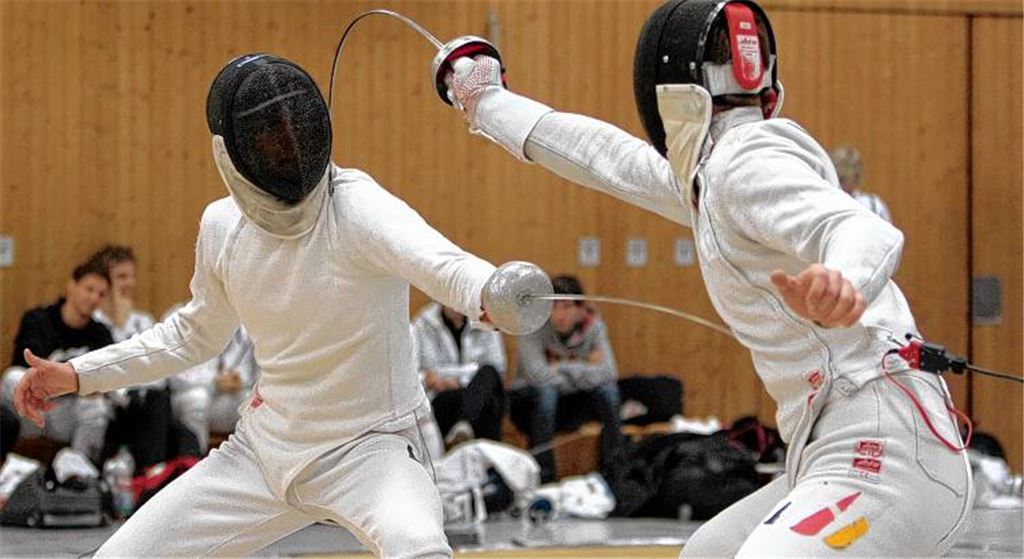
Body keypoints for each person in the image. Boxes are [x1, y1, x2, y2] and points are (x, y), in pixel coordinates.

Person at [439, 0, 972, 555]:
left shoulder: (744, 162)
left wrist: (843, 279)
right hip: (835, 449)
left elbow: (861, 229)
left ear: (668, 90)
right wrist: (486, 102)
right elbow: (602, 155)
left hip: (887, 457)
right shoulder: (711, 175)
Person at [12, 53, 549, 557]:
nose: (286, 144)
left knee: (421, 549)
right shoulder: (223, 227)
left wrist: (491, 292)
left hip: (373, 451)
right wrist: (78, 374)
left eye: (293, 129)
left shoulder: (356, 205)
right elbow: (192, 336)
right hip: (262, 455)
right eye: (269, 134)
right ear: (233, 150)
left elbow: (442, 263)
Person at [510, 275, 622, 484]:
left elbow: (608, 372)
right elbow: (538, 375)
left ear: (581, 309)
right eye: (553, 307)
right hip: (529, 405)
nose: (559, 314)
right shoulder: (532, 325)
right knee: (546, 392)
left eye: (566, 307)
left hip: (570, 402)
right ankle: (544, 475)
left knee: (609, 390)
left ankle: (613, 473)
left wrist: (562, 366)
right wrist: (586, 367)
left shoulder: (594, 327)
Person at [1, 258, 113, 464]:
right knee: (12, 378)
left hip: (67, 412)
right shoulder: (38, 320)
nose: (94, 298)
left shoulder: (101, 334)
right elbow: (26, 366)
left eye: (101, 294)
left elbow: (105, 381)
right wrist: (75, 380)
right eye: (89, 289)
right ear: (72, 286)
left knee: (97, 406)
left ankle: (79, 474)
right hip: (33, 406)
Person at [412, 301, 506, 446]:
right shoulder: (423, 323)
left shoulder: (484, 321)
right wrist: (471, 372)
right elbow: (416, 373)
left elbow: (497, 366)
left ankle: (464, 425)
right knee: (489, 401)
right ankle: (490, 463)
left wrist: (450, 377)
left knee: (489, 375)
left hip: (477, 391)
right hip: (442, 397)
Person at [828, 144, 892, 222]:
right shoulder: (827, 205)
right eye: (841, 179)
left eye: (849, 178)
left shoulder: (874, 205)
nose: (844, 185)